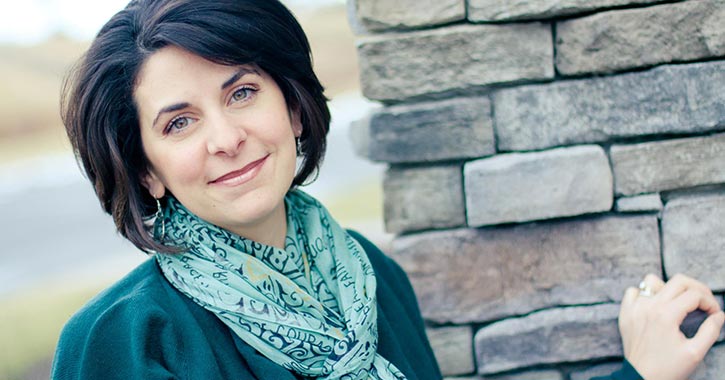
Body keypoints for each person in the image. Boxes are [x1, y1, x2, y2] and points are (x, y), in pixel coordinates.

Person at [51, 0, 724, 379]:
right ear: (145, 168)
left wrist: (640, 373)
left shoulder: (374, 279)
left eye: (243, 92)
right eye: (180, 122)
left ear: (291, 108)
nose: (224, 137)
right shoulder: (124, 341)